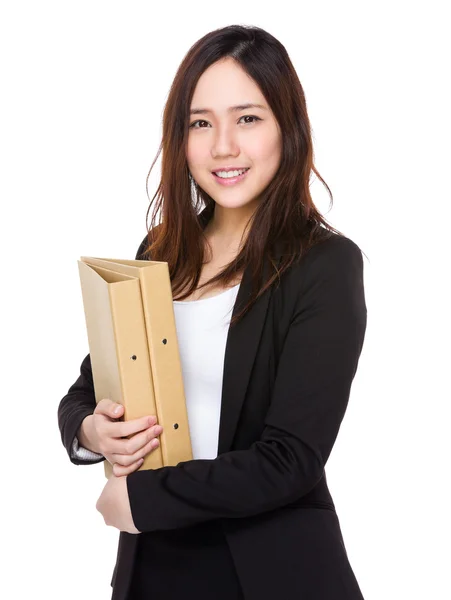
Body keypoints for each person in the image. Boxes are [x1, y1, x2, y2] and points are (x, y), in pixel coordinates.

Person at [57, 24, 368, 600]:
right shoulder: (161, 253)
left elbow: (290, 459)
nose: (223, 146)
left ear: (287, 128)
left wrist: (144, 499)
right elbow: (87, 386)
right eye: (201, 123)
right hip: (151, 569)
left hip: (270, 574)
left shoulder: (325, 265)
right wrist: (92, 431)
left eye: (248, 118)